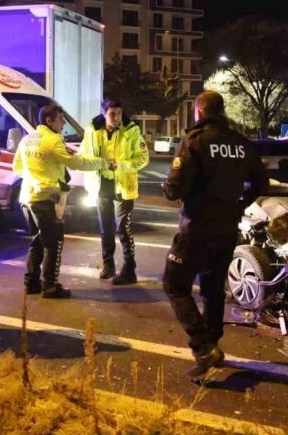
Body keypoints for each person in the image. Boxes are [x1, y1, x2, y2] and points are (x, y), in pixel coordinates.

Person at [162, 90, 268, 378]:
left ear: (199, 112)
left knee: (174, 285)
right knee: (212, 290)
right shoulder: (241, 144)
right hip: (226, 228)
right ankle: (213, 346)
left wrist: (168, 187)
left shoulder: (195, 141)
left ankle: (202, 346)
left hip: (196, 227)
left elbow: (175, 189)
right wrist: (239, 204)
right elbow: (261, 183)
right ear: (221, 112)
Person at [13, 104, 111, 298]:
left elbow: (17, 167)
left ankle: (31, 283)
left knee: (37, 241)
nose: (63, 122)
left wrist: (37, 177)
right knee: (53, 243)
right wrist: (104, 162)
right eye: (60, 118)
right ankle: (49, 286)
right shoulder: (53, 140)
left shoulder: (27, 139)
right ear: (49, 121)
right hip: (47, 199)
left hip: (27, 197)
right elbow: (77, 163)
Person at [80, 98, 149, 285]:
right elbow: (84, 154)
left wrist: (120, 166)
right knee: (106, 229)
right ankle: (108, 265)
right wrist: (98, 163)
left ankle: (129, 268)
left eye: (119, 113)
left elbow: (143, 158)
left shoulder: (131, 130)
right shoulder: (92, 130)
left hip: (123, 186)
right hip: (100, 185)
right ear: (104, 113)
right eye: (112, 113)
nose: (117, 117)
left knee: (123, 228)